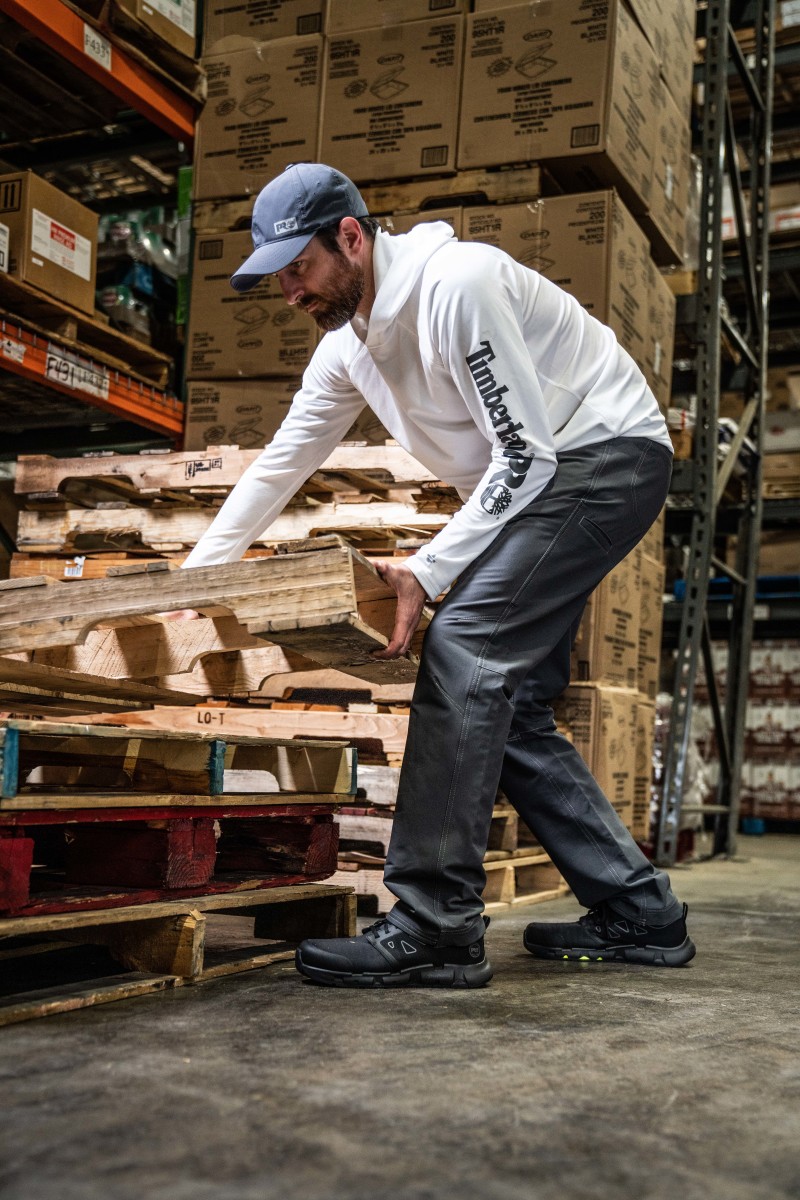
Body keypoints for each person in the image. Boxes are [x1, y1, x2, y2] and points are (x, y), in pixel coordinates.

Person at [181, 161, 696, 988]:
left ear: (351, 237)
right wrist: (190, 582)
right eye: (279, 277)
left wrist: (426, 567)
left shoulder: (459, 285)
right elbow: (281, 464)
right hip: (550, 477)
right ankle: (640, 909)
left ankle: (435, 925)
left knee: (464, 649)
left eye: (300, 268)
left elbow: (527, 456)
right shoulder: (348, 349)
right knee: (511, 703)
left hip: (606, 455)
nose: (290, 292)